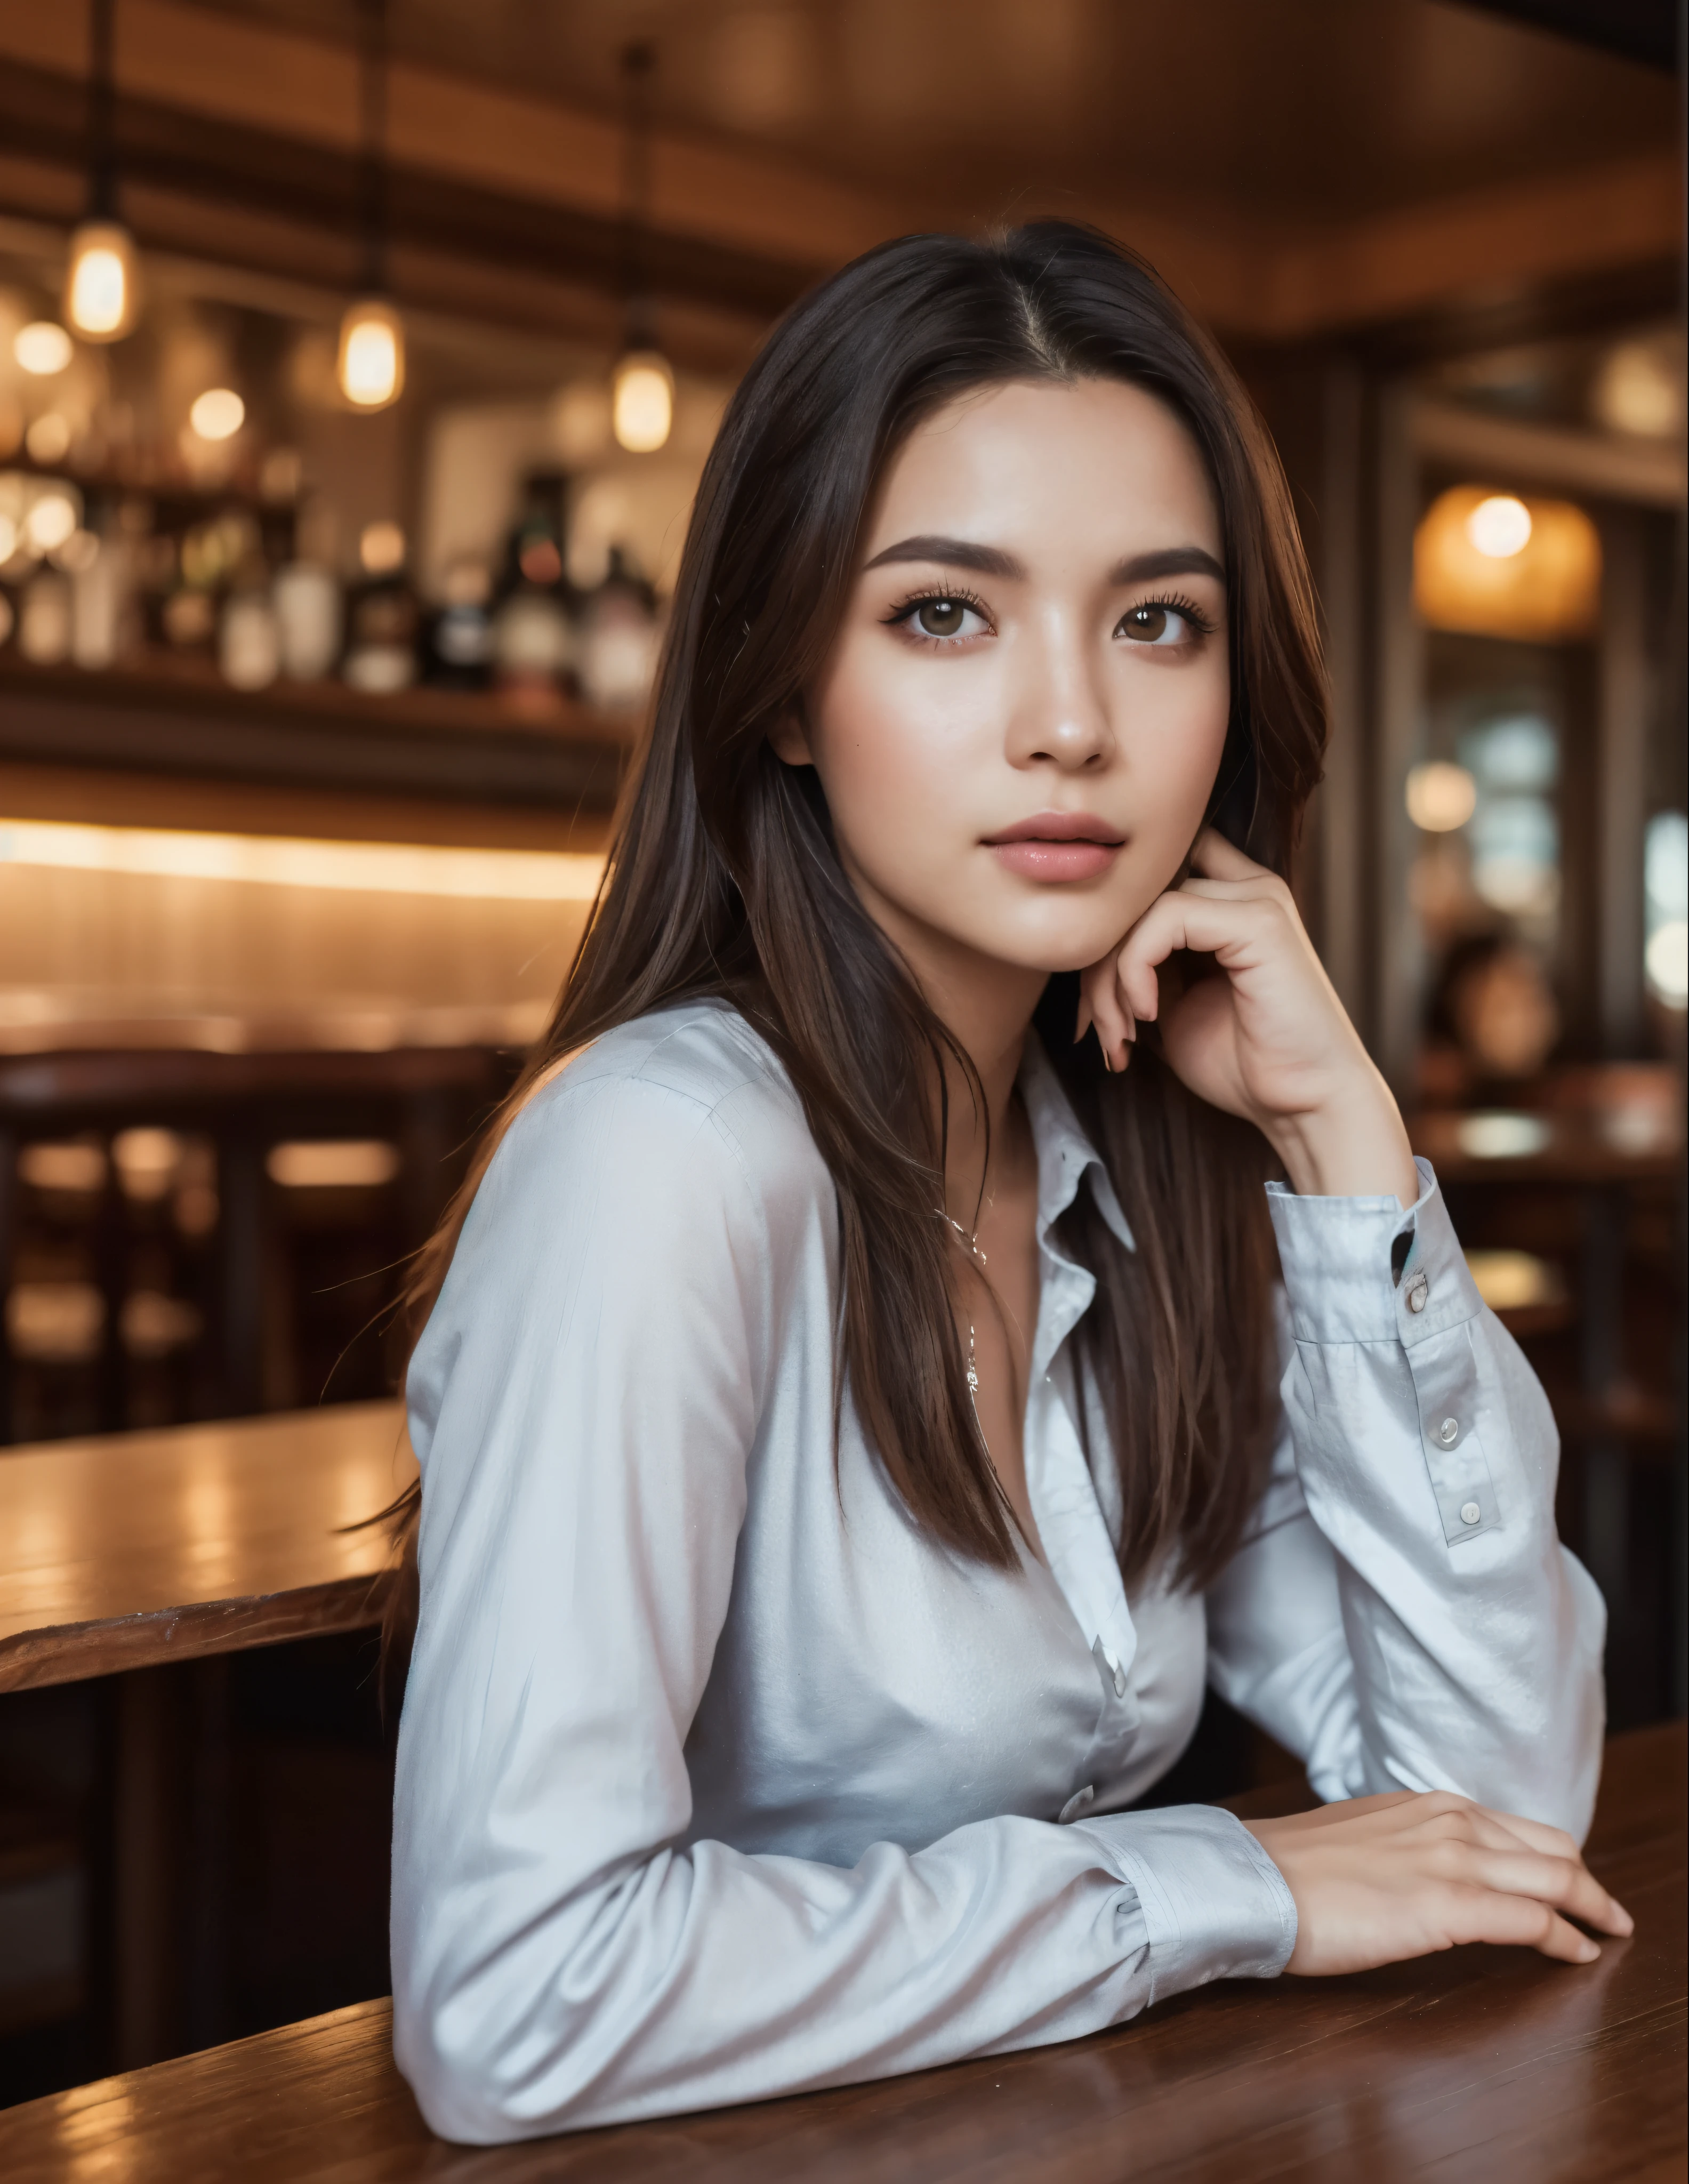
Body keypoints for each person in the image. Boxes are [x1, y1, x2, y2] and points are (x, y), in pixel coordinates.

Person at [385, 223, 1618, 2146]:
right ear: (784, 687)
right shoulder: (662, 1163)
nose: (1074, 721)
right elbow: (519, 1997)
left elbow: (1498, 1819)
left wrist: (1344, 1148)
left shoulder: (1132, 1178)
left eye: (1158, 620)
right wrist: (1233, 1885)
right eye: (948, 614)